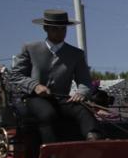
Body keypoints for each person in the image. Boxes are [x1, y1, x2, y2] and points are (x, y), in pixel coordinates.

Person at [7, 9, 100, 143]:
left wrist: (82, 92)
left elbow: (84, 80)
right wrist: (35, 86)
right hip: (35, 98)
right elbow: (16, 75)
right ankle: (51, 149)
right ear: (46, 28)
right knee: (47, 113)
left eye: (63, 29)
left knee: (83, 110)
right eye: (55, 29)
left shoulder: (76, 54)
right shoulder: (30, 48)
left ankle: (93, 140)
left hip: (62, 98)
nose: (60, 32)